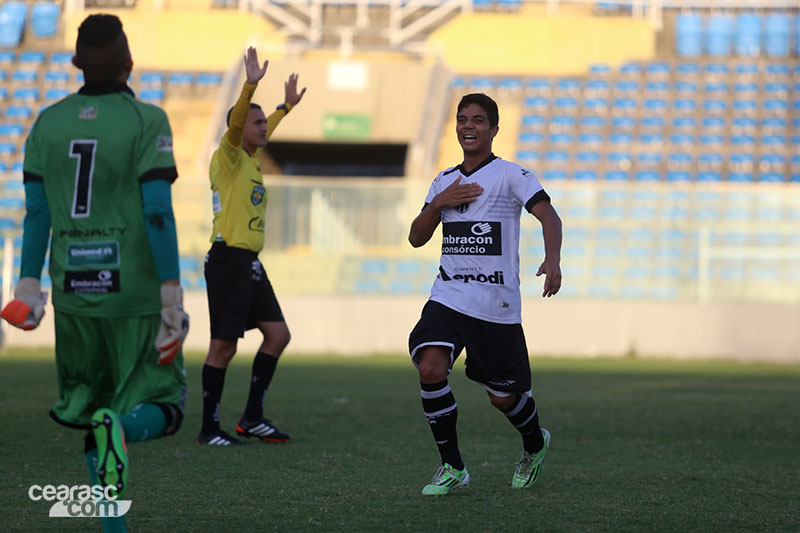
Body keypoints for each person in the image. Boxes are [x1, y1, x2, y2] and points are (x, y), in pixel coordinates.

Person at [0, 14, 189, 532]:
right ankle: (121, 428)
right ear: (130, 63)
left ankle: (113, 528)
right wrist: (172, 296)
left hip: (74, 295)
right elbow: (156, 211)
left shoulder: (46, 123)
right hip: (135, 295)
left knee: (93, 413)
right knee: (163, 402)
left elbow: (35, 214)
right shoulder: (148, 120)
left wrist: (28, 285)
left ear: (76, 62)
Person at [407, 93, 562, 496]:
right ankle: (452, 467)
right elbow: (416, 238)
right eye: (462, 119)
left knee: (503, 398)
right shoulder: (443, 180)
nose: (468, 126)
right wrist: (439, 203)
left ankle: (534, 444)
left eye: (478, 120)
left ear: (493, 129)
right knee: (430, 366)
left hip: (495, 303)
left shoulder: (512, 175)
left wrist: (553, 259)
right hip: (449, 295)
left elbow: (548, 214)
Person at [196, 47, 306, 446]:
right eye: (257, 123)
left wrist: (284, 108)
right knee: (223, 347)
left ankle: (252, 418)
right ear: (239, 128)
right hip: (228, 259)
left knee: (277, 335)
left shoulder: (251, 157)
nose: (264, 128)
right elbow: (242, 122)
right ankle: (209, 429)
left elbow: (263, 127)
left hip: (249, 262)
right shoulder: (227, 157)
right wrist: (250, 85)